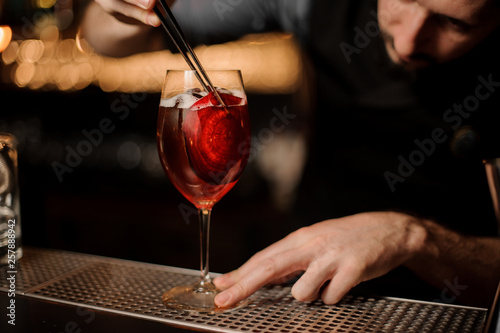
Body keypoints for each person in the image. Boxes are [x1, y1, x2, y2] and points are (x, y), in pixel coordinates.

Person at [80, 0, 500, 308]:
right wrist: (122, 8)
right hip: (305, 284)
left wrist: (415, 238)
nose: (409, 41)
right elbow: (105, 38)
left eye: (453, 23)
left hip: (462, 303)